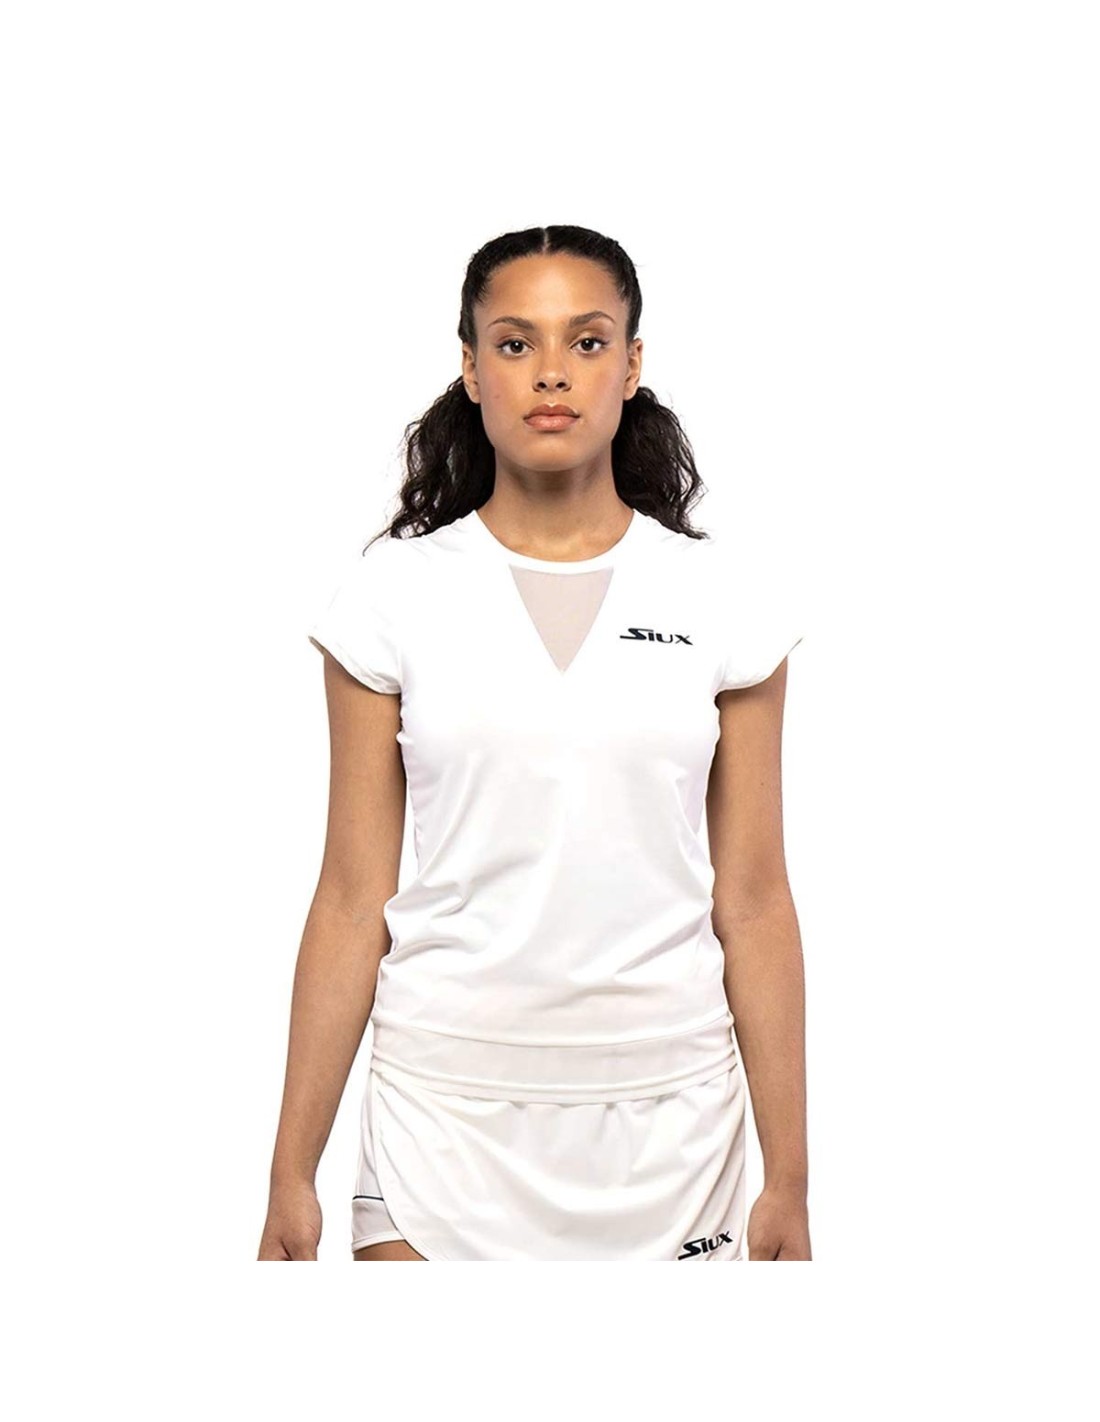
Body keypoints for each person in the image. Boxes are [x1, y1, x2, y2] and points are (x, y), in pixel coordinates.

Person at [257, 224, 811, 1262]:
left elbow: (754, 900)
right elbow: (350, 896)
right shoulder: (391, 596)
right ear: (471, 369)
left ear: (631, 366)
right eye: (514, 343)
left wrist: (790, 1177)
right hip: (439, 1113)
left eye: (586, 341)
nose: (551, 371)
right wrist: (292, 1172)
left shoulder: (720, 600)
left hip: (671, 1121)